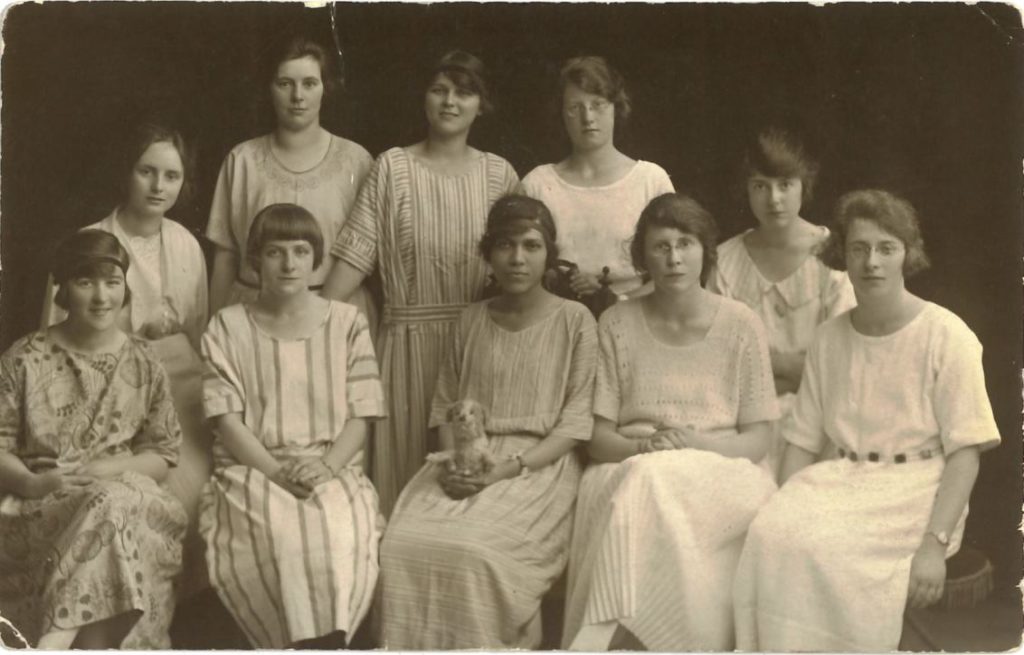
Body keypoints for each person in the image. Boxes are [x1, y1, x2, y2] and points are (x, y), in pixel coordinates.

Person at [733, 189, 1000, 652]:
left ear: (906, 254)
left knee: (828, 551)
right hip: (841, 479)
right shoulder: (830, 338)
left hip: (918, 490)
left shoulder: (947, 335)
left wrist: (933, 546)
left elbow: (965, 454)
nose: (871, 262)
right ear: (843, 256)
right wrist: (785, 505)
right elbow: (800, 441)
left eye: (885, 248)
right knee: (769, 534)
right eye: (858, 249)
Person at [378, 195, 597, 649]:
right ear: (489, 253)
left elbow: (575, 425)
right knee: (402, 544)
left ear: (549, 254)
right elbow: (444, 407)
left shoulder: (575, 321)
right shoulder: (471, 319)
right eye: (505, 245)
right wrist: (455, 465)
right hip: (462, 459)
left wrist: (505, 470)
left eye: (532, 246)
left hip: (537, 469)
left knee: (477, 552)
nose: (518, 258)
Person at [563, 193, 779, 651]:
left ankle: (600, 636)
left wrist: (695, 444)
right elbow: (598, 439)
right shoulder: (616, 323)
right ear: (643, 257)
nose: (675, 258)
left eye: (686, 243)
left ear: (706, 250)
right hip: (629, 464)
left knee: (651, 482)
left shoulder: (742, 324)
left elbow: (759, 439)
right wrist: (644, 449)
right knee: (646, 479)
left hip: (722, 469)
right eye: (661, 246)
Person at [324, 50, 519, 515]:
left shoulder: (501, 175)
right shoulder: (391, 168)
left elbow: (521, 271)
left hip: (479, 351)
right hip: (405, 351)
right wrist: (306, 319)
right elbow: (354, 261)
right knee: (402, 488)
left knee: (470, 482)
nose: (450, 102)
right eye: (439, 90)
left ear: (481, 104)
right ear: (424, 98)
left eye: (464, 92)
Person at [199, 204, 385, 649]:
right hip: (254, 472)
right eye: (275, 252)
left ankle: (330, 643)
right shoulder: (227, 326)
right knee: (283, 540)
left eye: (301, 251)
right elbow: (227, 420)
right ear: (255, 261)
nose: (289, 264)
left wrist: (326, 467)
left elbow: (362, 415)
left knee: (338, 535)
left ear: (317, 258)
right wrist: (275, 472)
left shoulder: (346, 323)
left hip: (331, 467)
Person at [39, 122, 211, 597]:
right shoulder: (90, 239)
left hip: (182, 393)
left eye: (172, 176)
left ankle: (181, 602)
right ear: (127, 173)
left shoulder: (187, 245)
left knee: (204, 486)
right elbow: (53, 343)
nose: (158, 187)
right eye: (147, 171)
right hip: (106, 391)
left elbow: (198, 334)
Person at [0, 230, 186, 649]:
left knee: (115, 501)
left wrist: (111, 469)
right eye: (86, 282)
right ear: (63, 288)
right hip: (47, 503)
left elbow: (163, 452)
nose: (102, 296)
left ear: (125, 287)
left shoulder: (145, 360)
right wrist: (33, 482)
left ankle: (53, 643)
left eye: (112, 282)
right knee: (110, 514)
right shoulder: (24, 358)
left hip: (132, 500)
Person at [708, 126, 854, 476]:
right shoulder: (725, 261)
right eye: (761, 186)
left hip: (821, 419)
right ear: (746, 190)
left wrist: (763, 363)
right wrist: (795, 365)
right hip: (742, 422)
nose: (774, 199)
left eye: (785, 185)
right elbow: (719, 363)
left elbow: (839, 362)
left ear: (804, 186)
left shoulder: (834, 256)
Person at [206, 35, 375, 326]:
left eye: (309, 83)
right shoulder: (242, 159)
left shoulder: (356, 160)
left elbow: (366, 253)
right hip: (254, 314)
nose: (298, 96)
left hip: (337, 312)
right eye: (285, 83)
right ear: (269, 89)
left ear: (326, 88)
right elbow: (226, 256)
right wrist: (213, 328)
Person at [519, 56, 674, 300]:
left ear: (616, 107)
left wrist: (614, 300)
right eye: (575, 108)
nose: (588, 117)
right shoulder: (537, 184)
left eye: (598, 104)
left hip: (635, 315)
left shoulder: (651, 180)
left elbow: (672, 272)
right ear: (561, 115)